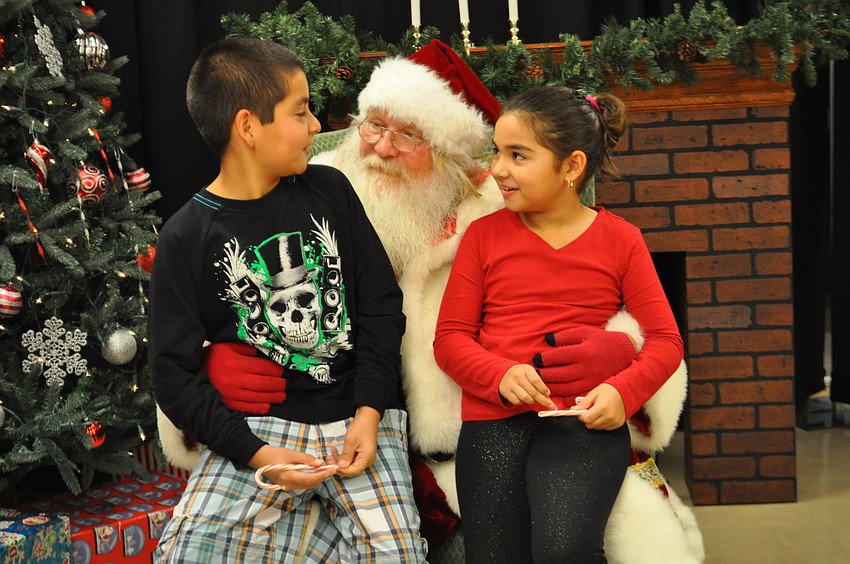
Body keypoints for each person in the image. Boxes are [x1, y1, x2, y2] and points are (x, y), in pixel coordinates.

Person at [157, 40, 703, 563]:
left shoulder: (493, 215)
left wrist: (619, 351)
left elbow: (651, 332)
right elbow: (192, 342)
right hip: (296, 429)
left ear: (449, 156)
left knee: (627, 540)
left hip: (459, 440)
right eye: (375, 125)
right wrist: (212, 361)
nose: (382, 148)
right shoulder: (304, 187)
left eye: (408, 136)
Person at [148, 37, 427, 563]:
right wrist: (257, 453)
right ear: (249, 127)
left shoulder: (331, 192)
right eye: (301, 112)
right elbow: (172, 374)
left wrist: (370, 411)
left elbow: (380, 306)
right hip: (258, 432)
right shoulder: (186, 235)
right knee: (187, 554)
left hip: (359, 419)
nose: (318, 125)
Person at [431, 86, 685, 563]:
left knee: (563, 551)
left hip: (582, 424)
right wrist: (499, 374)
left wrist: (623, 393)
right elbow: (449, 340)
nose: (498, 169)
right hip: (493, 425)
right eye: (497, 152)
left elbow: (667, 341)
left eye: (518, 155)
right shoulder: (483, 238)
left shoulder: (622, 240)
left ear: (571, 167)